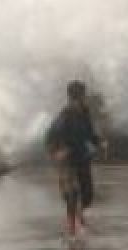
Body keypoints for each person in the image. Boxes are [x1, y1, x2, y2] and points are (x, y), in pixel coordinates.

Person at [45, 80, 105, 237]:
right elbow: (50, 138)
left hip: (82, 157)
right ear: (74, 97)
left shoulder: (85, 113)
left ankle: (79, 214)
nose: (84, 98)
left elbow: (90, 134)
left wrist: (99, 142)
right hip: (67, 161)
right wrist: (57, 152)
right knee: (71, 193)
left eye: (83, 96)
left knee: (87, 196)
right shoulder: (64, 116)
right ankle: (72, 228)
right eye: (82, 96)